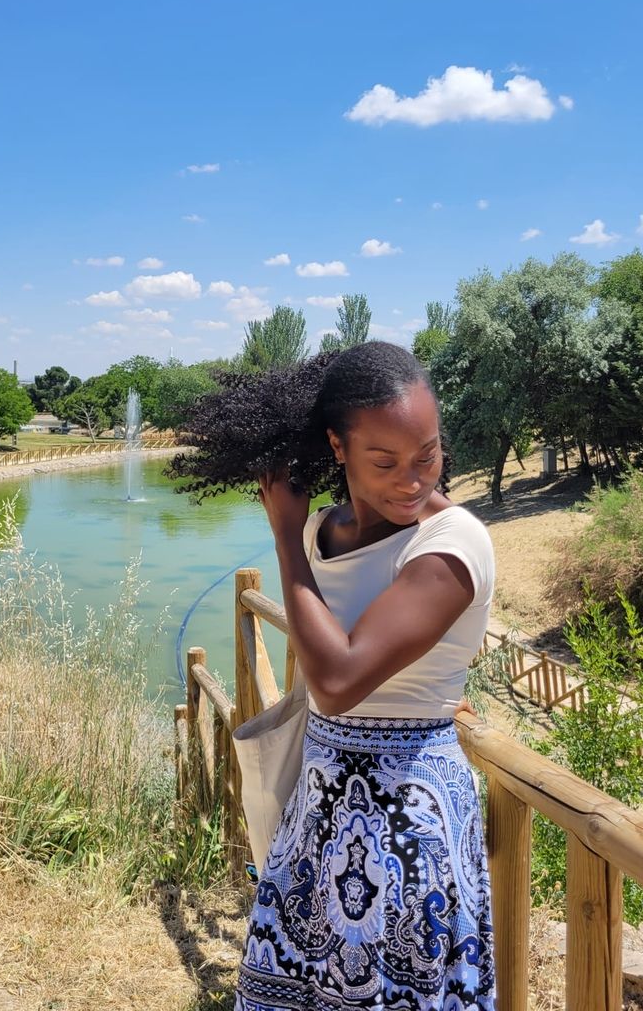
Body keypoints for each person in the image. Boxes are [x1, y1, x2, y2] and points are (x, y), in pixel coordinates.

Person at [170, 341, 496, 1011]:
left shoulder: (453, 542)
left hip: (410, 821)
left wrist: (284, 539)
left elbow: (340, 680)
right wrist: (302, 534)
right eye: (386, 460)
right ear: (337, 448)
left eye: (428, 453)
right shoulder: (324, 532)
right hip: (318, 809)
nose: (414, 479)